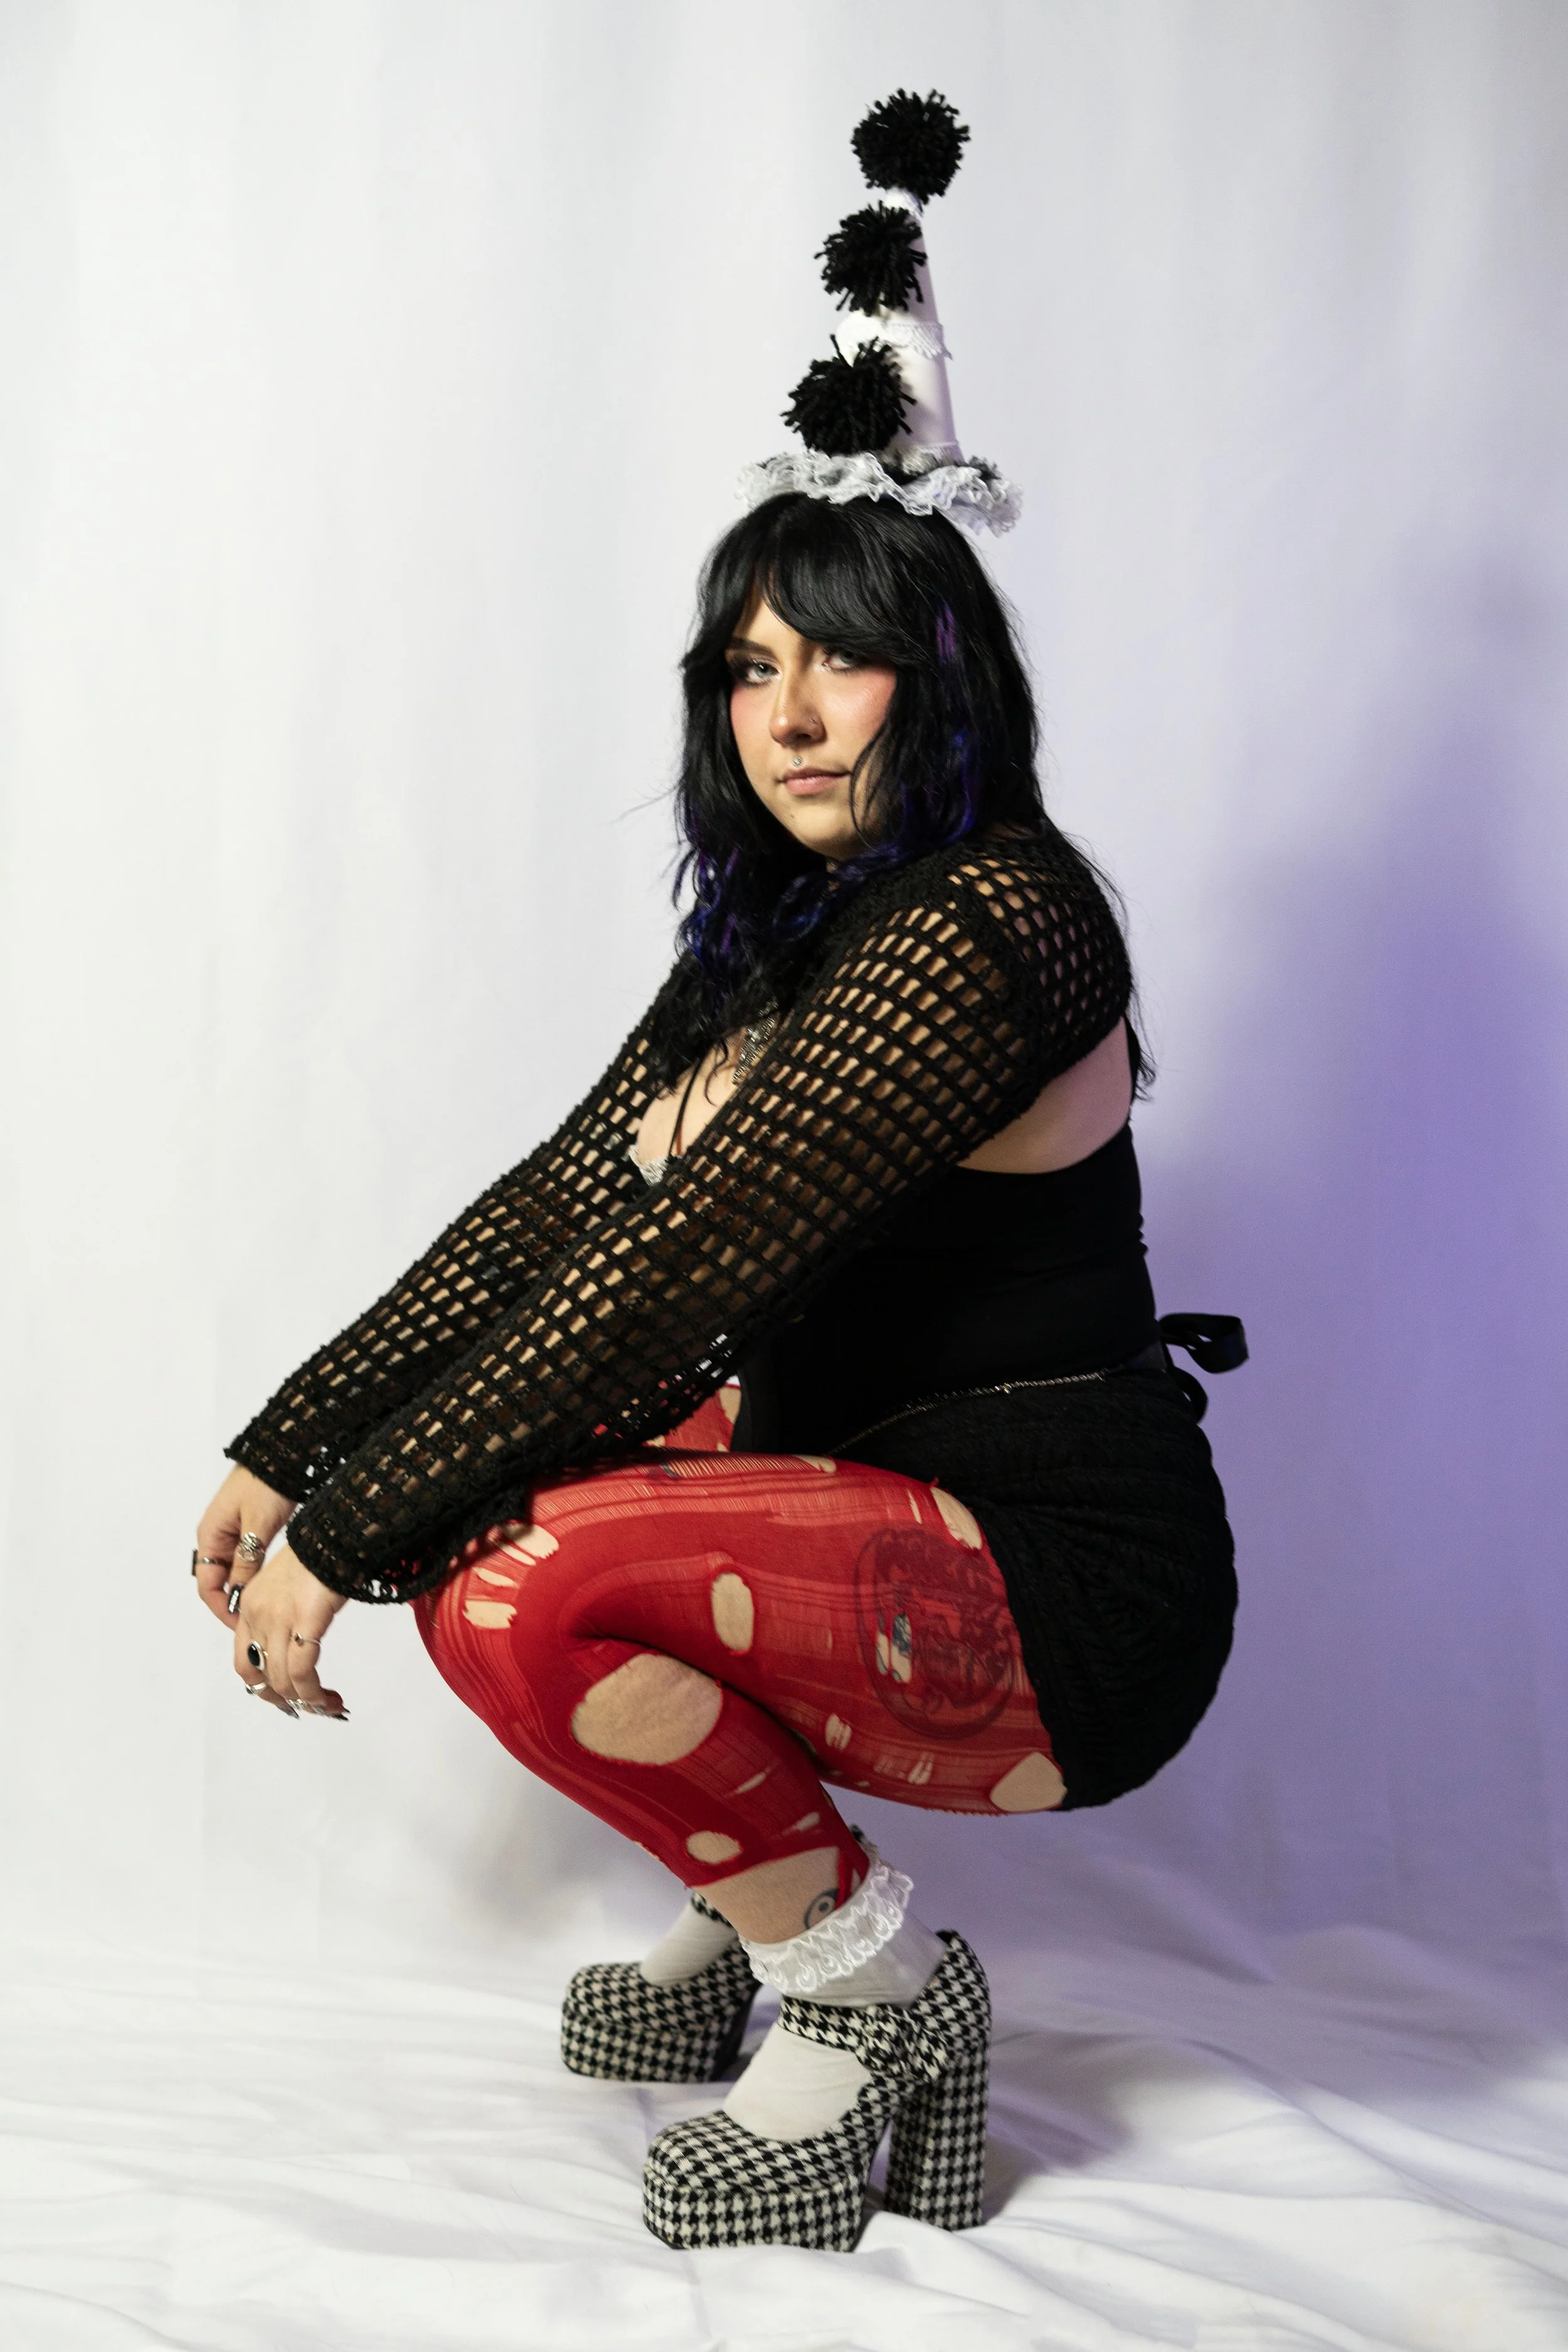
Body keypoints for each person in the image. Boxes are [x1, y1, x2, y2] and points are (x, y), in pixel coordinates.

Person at [191, 96, 1240, 2255]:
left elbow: (684, 1276)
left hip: (1065, 1589)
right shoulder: (776, 935)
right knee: (506, 1471)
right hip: (872, 1502)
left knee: (506, 1567)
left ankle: (865, 1990)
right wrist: (297, 1435)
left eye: (840, 654)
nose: (790, 713)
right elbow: (557, 1209)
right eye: (749, 667)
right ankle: (764, 1902)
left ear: (937, 668)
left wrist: (364, 1527)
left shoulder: (993, 925)